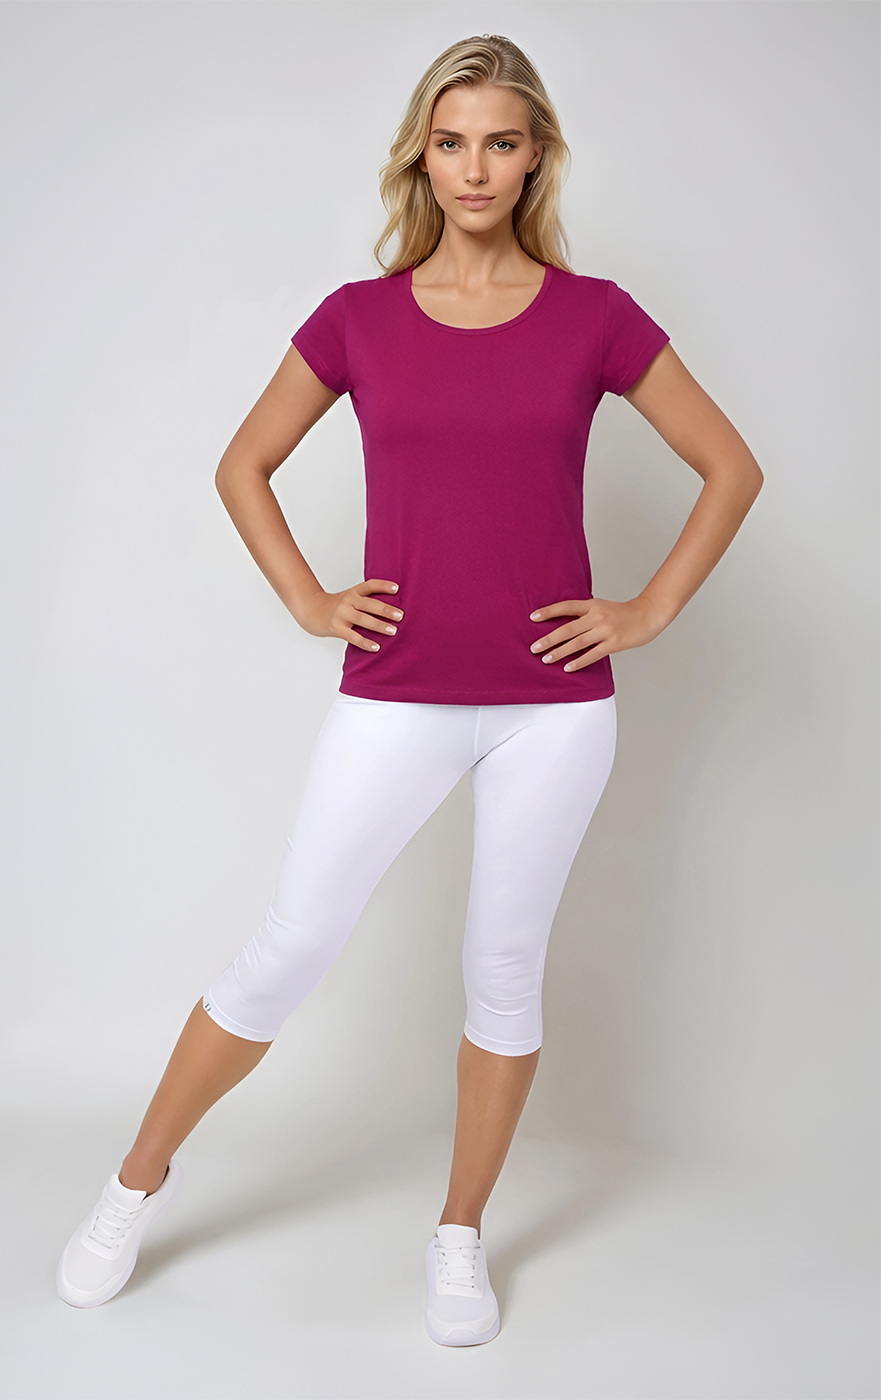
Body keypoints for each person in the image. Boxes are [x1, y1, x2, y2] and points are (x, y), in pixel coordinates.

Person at [55, 33, 763, 1345]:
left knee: (503, 968)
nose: (475, 167)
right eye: (451, 142)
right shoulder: (357, 318)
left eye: (501, 141)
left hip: (554, 711)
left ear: (536, 157)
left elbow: (731, 466)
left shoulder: (595, 316)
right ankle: (132, 1184)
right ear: (420, 159)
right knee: (291, 944)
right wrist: (307, 599)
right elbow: (242, 466)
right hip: (397, 693)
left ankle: (458, 1234)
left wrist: (644, 610)